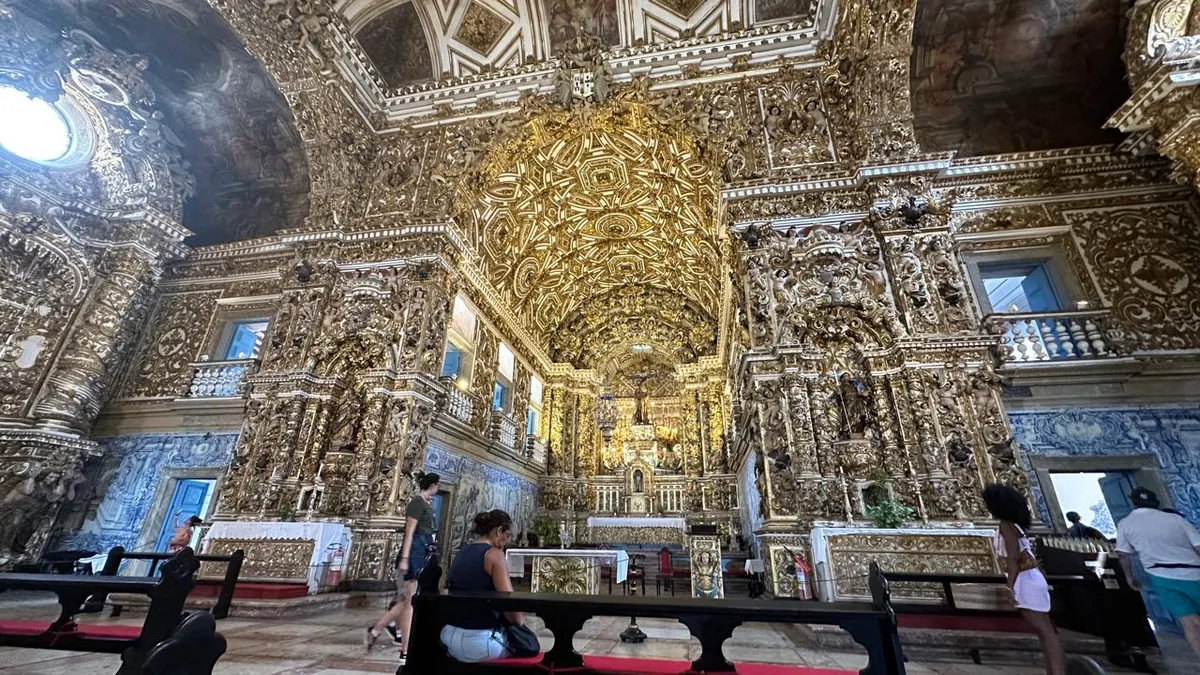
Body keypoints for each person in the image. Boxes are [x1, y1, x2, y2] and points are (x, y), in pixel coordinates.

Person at [983, 483, 1066, 675]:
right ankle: (1053, 671)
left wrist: (1009, 587)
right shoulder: (1017, 524)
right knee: (1044, 630)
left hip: (1024, 579)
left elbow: (1013, 558)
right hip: (1032, 577)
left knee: (1045, 630)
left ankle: (1058, 672)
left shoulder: (1006, 525)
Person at [1115, 487, 1200, 655]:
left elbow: (1123, 555)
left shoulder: (1125, 523)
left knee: (1189, 623)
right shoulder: (1175, 519)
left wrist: (1129, 577)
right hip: (1194, 572)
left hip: (1162, 577)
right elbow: (1198, 546)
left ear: (1133, 502)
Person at [366, 472, 440, 659]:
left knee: (405, 600)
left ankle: (376, 630)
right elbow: (409, 531)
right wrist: (405, 558)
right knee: (410, 603)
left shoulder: (425, 503)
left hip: (422, 550)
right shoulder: (416, 503)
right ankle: (405, 650)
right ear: (433, 485)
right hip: (414, 551)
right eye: (437, 485)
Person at [440, 509, 522, 662]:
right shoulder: (494, 555)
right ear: (498, 531)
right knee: (525, 647)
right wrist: (520, 625)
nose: (507, 540)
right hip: (479, 642)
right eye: (507, 535)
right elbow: (511, 606)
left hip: (449, 636)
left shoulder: (462, 552)